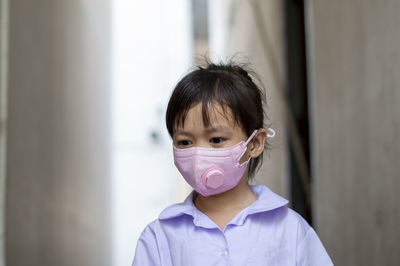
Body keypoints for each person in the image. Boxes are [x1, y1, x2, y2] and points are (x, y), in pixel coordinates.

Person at [132, 61, 333, 265]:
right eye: (185, 142)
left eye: (216, 140)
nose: (200, 155)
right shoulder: (159, 237)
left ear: (254, 143)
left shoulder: (290, 229)